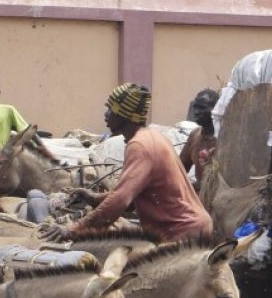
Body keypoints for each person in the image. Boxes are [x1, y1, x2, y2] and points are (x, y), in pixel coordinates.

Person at [41, 83, 212, 244]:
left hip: (181, 232)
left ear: (124, 114)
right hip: (192, 227)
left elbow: (120, 200)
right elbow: (130, 197)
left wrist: (74, 229)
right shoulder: (153, 137)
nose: (106, 115)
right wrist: (94, 198)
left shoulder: (139, 146)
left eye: (110, 110)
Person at [179, 88, 219, 184]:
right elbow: (180, 169)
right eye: (195, 107)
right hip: (200, 196)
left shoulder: (225, 138)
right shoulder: (194, 135)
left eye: (202, 108)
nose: (196, 112)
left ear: (216, 109)